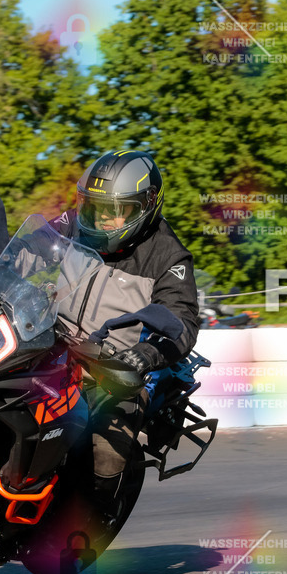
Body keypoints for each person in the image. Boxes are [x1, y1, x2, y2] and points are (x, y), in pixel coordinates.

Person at [53, 150, 199, 519]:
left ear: (145, 206)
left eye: (114, 210)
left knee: (106, 447)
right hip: (52, 342)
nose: (101, 219)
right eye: (94, 207)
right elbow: (29, 250)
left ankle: (85, 520)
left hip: (112, 368)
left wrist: (146, 355)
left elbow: (181, 318)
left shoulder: (169, 256)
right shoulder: (74, 222)